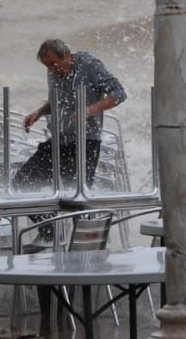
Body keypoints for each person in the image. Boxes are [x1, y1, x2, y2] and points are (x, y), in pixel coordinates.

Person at [15, 39, 127, 237]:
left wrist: (90, 109)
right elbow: (56, 101)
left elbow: (119, 93)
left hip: (85, 143)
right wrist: (39, 112)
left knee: (77, 199)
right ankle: (51, 232)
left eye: (53, 64)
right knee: (21, 183)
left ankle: (87, 250)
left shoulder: (89, 66)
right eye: (46, 66)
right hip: (58, 141)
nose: (51, 70)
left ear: (67, 55)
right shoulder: (53, 72)